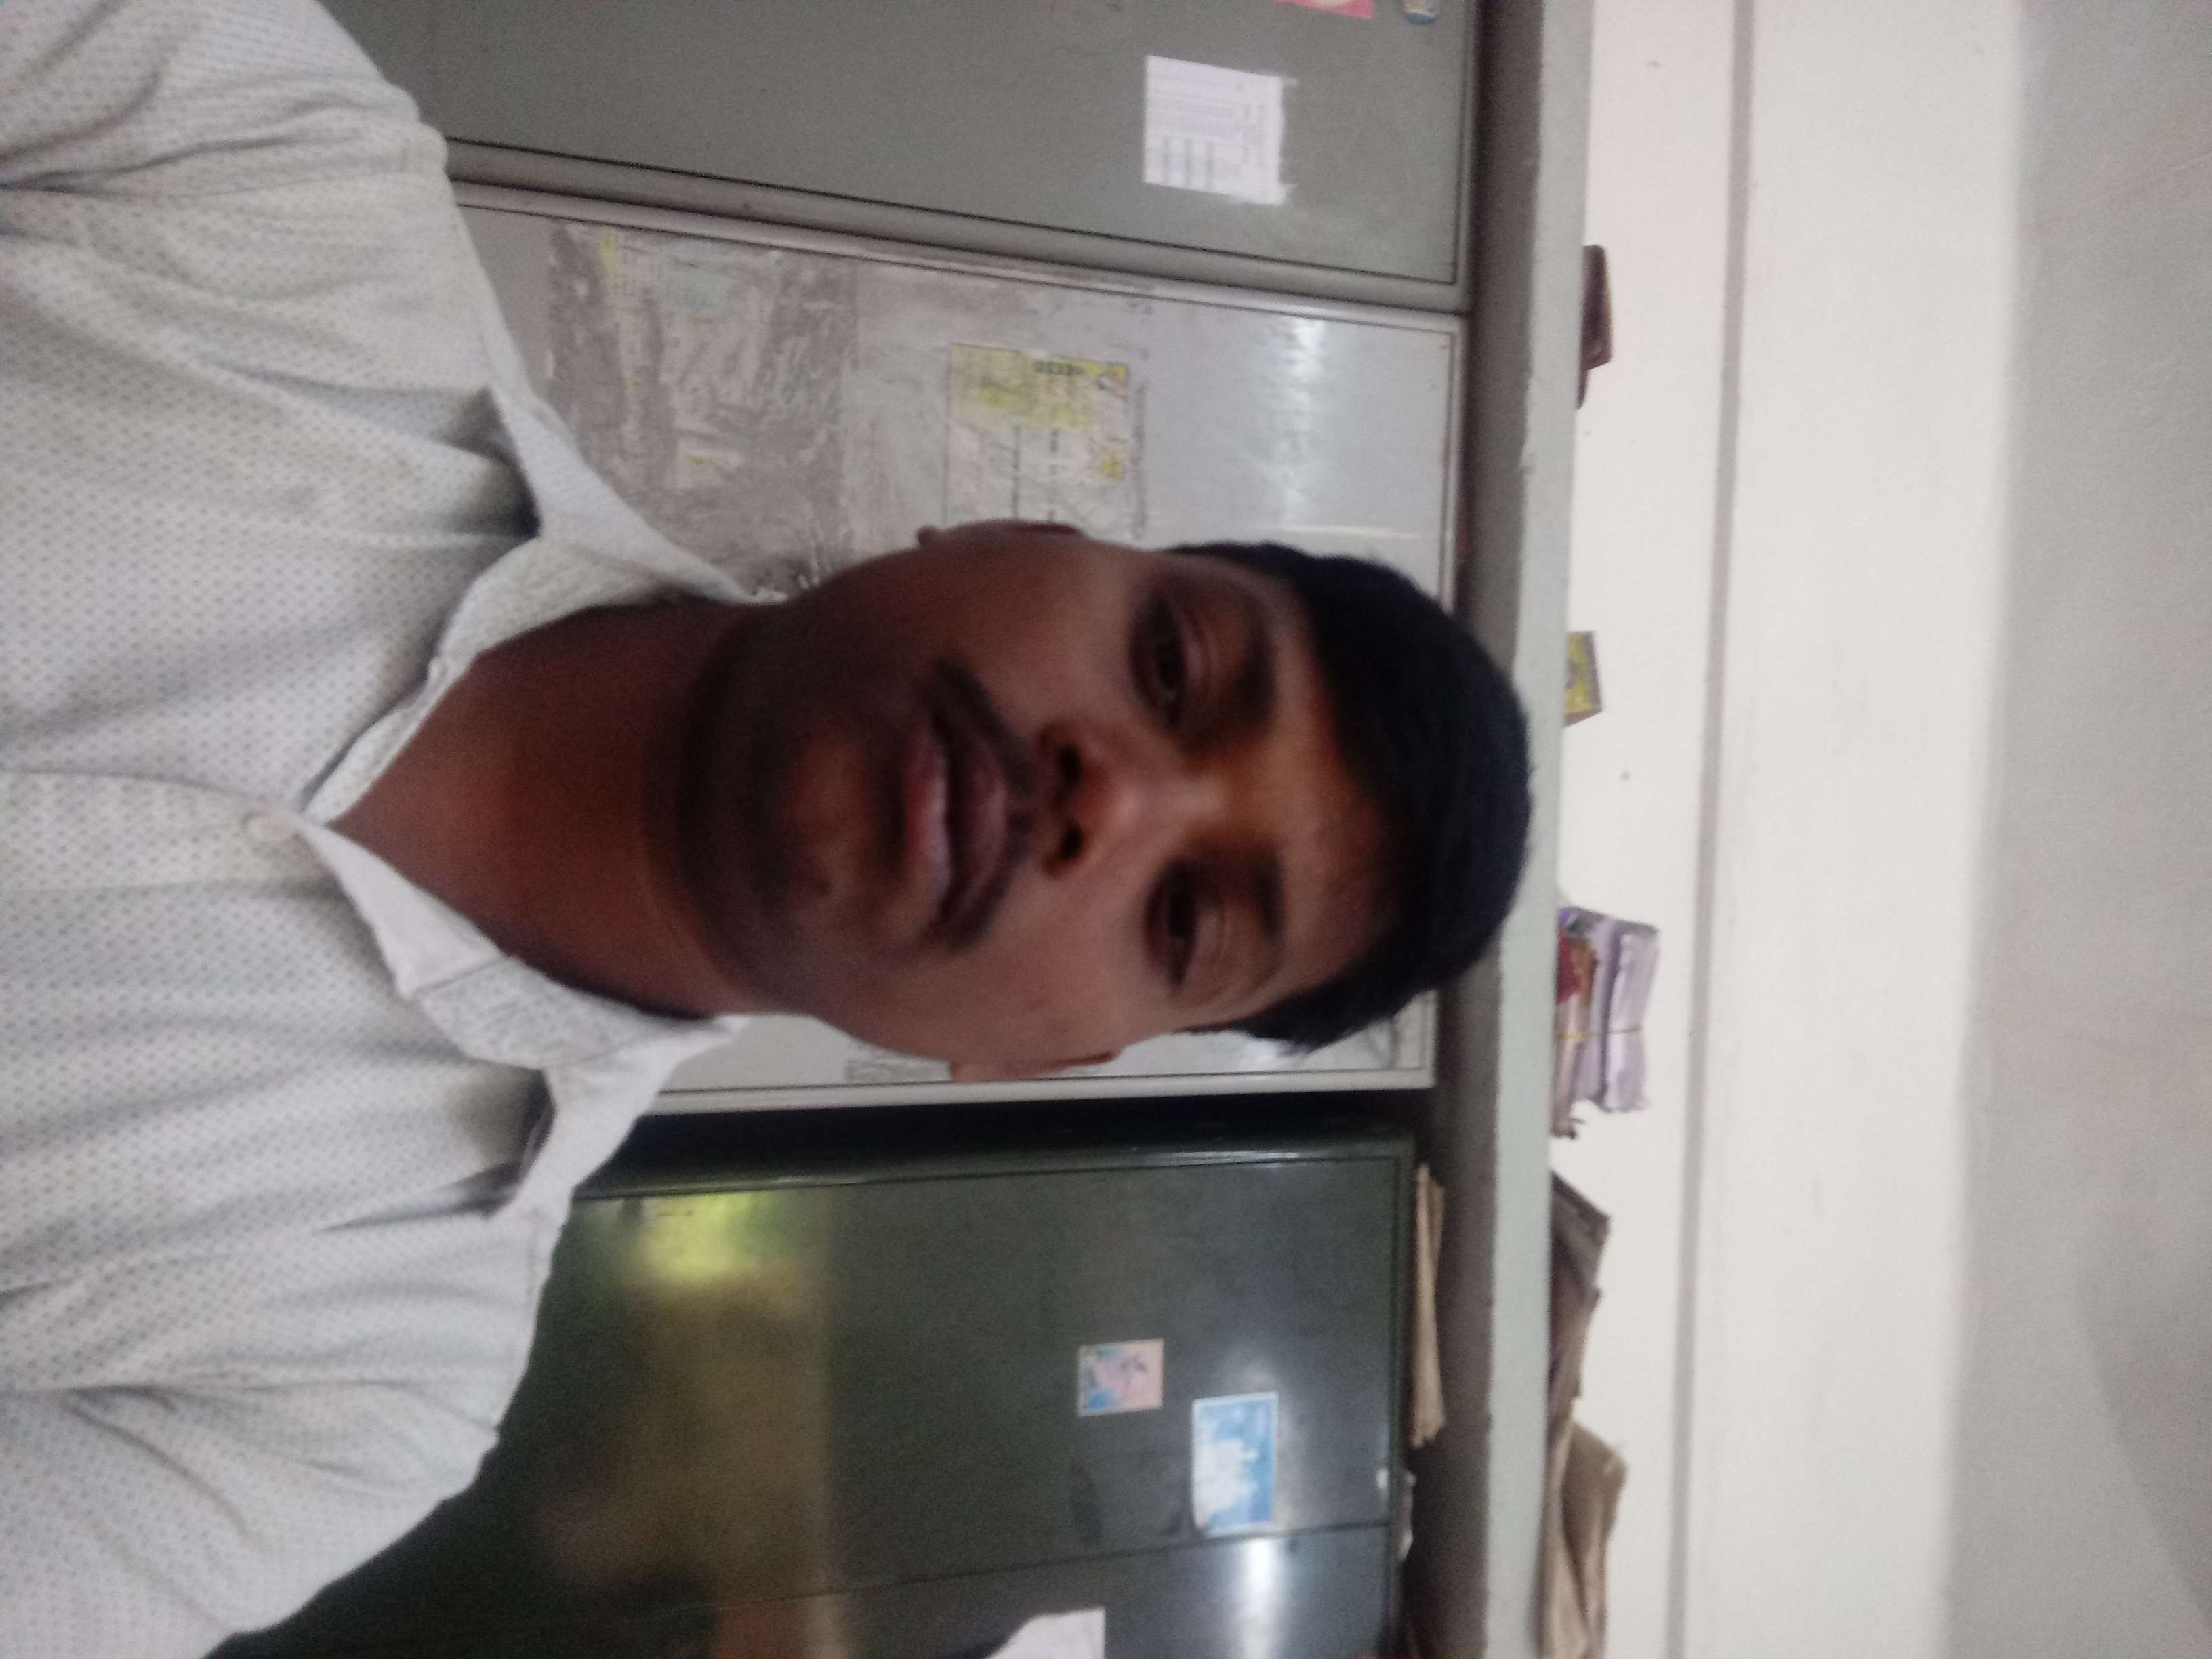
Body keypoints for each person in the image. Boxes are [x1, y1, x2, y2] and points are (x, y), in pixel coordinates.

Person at [0, 0, 1532, 1653]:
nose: (1115, 800)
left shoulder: (341, 1398)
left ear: (1035, 1064)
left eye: (1184, 918)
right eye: (1172, 666)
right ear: (1011, 529)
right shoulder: (275, 188)